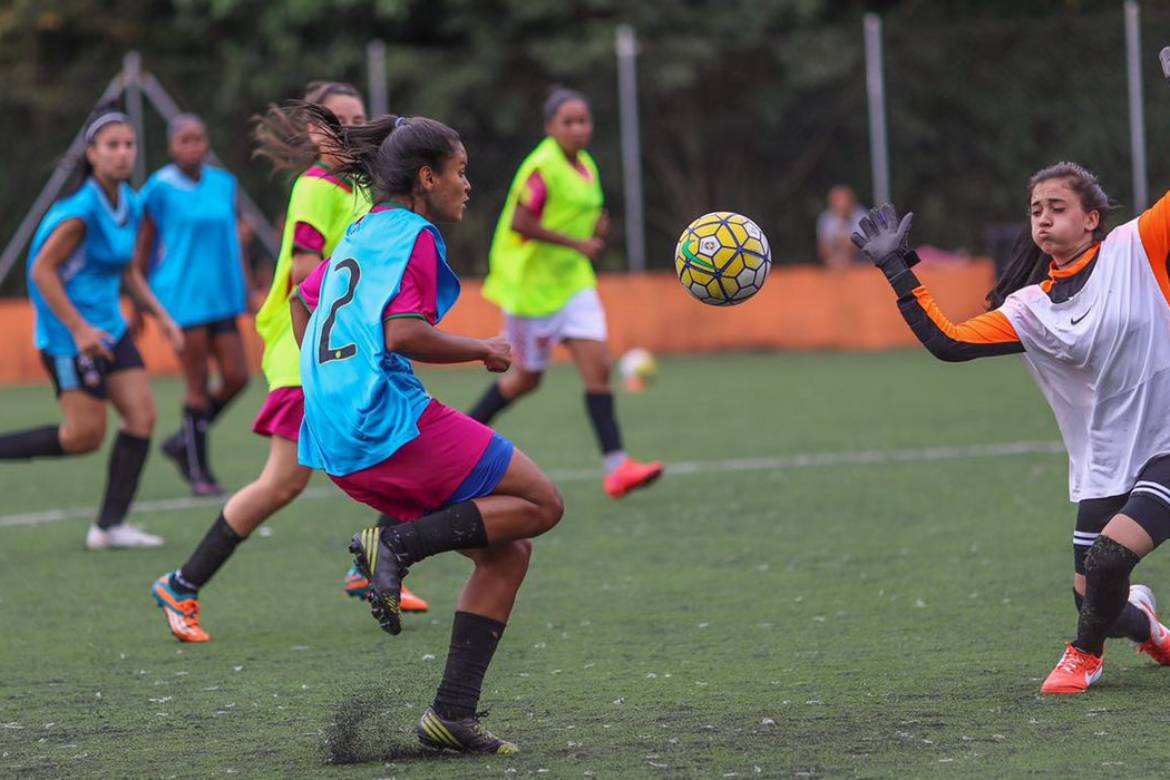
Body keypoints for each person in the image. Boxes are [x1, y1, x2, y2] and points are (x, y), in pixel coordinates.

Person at [290, 106, 564, 754]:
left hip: (336, 427)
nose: (467, 184)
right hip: (380, 419)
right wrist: (483, 350)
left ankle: (452, 716)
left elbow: (304, 299)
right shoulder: (412, 234)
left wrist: (324, 385)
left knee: (508, 555)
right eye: (459, 172)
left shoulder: (363, 230)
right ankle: (398, 547)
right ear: (425, 177)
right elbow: (404, 333)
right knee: (542, 504)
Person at [854, 162, 1170, 696]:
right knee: (1100, 601)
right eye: (1035, 210)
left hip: (1166, 443)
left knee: (1110, 557)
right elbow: (948, 342)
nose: (1043, 218)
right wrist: (895, 267)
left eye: (1057, 207)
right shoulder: (1031, 308)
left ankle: (1083, 656)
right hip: (1106, 461)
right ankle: (1149, 628)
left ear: (1093, 218)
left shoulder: (1137, 246)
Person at [150, 82, 427, 644]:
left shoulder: (360, 189)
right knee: (282, 483)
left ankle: (370, 564)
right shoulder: (316, 188)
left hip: (337, 351)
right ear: (315, 133)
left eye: (357, 118)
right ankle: (181, 584)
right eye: (336, 120)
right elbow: (306, 276)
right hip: (305, 353)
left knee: (407, 440)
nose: (349, 128)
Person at [0, 109, 182, 549]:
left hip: (110, 329)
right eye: (112, 146)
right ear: (92, 153)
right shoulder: (80, 211)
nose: (123, 154)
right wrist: (79, 330)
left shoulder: (130, 204)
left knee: (142, 417)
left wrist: (163, 317)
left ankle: (109, 527)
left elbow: (128, 271)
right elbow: (41, 271)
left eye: (129, 145)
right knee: (83, 437)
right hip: (69, 337)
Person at [469, 87, 662, 498]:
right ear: (550, 127)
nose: (578, 129)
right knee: (526, 380)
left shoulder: (586, 165)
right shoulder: (542, 168)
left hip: (574, 284)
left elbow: (576, 218)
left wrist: (592, 234)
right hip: (533, 292)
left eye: (584, 121)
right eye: (568, 122)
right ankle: (462, 439)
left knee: (598, 367)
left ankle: (617, 468)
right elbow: (522, 222)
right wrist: (577, 244)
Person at [136, 113, 252, 496]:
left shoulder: (224, 184)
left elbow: (234, 241)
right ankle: (199, 471)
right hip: (181, 297)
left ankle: (182, 441)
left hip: (222, 293)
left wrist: (249, 287)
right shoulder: (159, 188)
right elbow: (144, 244)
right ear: (172, 146)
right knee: (197, 384)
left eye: (199, 138)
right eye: (185, 140)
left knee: (237, 376)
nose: (194, 146)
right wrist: (137, 301)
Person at [817, 185, 867, 270]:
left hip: (860, 263)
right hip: (833, 262)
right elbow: (823, 246)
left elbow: (861, 245)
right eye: (835, 201)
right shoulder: (826, 218)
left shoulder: (862, 217)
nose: (839, 204)